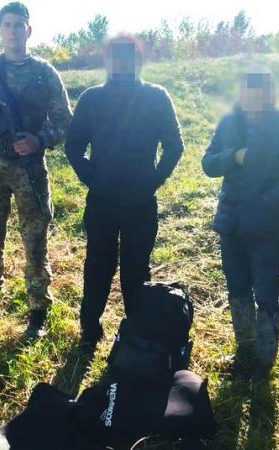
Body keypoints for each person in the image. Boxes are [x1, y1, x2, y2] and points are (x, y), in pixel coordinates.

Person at [0, 2, 72, 338]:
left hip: (29, 168)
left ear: (28, 30)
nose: (12, 31)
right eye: (6, 25)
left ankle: (37, 311)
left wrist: (39, 140)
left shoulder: (44, 72)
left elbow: (65, 122)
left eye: (18, 25)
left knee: (35, 239)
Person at [64, 35, 184, 347]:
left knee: (137, 269)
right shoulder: (92, 99)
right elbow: (73, 146)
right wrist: (93, 179)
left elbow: (174, 145)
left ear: (138, 60)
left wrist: (153, 181)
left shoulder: (156, 97)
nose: (121, 62)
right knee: (98, 265)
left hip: (141, 202)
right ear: (107, 61)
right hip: (101, 201)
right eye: (115, 56)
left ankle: (137, 335)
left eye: (129, 56)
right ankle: (89, 329)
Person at [201, 68, 279, 381]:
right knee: (236, 288)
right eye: (245, 91)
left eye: (256, 92)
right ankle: (245, 350)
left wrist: (269, 201)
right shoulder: (229, 121)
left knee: (265, 292)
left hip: (267, 224)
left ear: (268, 93)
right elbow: (208, 163)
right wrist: (233, 156)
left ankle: (264, 361)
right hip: (231, 221)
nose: (250, 98)